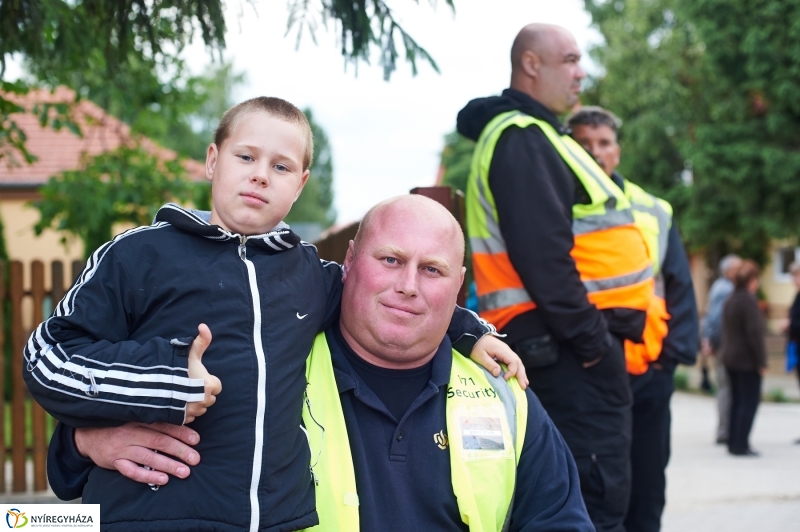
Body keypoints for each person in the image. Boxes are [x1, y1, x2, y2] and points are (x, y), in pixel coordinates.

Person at [24, 97, 521, 531]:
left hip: (275, 521)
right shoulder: (139, 255)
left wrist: (469, 330)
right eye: (246, 157)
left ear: (301, 184)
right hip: (150, 510)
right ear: (213, 160)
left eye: (281, 167)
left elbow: (382, 293)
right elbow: (48, 356)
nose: (261, 174)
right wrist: (164, 380)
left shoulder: (305, 273)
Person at [48, 195, 594, 531]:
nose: (407, 285)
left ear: (459, 286)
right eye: (390, 260)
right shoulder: (271, 365)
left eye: (431, 270)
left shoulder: (503, 395)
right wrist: (82, 443)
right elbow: (61, 521)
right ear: (350, 262)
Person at [458, 23, 655, 532]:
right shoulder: (522, 137)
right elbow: (543, 258)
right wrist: (594, 344)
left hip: (565, 347)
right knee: (593, 503)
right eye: (569, 60)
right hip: (567, 352)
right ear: (531, 64)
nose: (580, 73)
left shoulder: (537, 134)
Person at [567, 106, 699, 532]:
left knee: (647, 479)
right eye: (584, 144)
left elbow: (677, 283)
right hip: (588, 368)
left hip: (647, 370)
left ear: (617, 152)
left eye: (603, 143)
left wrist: (670, 359)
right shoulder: (554, 207)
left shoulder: (653, 208)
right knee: (599, 485)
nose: (595, 152)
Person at [719, 260, 767, 456]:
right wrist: (761, 362)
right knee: (748, 402)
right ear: (751, 281)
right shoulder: (748, 302)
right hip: (746, 361)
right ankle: (741, 443)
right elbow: (754, 334)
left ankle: (733, 441)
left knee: (736, 401)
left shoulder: (730, 299)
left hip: (730, 358)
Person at [702, 253, 743, 444]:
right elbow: (716, 319)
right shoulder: (725, 290)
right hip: (724, 346)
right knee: (727, 388)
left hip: (722, 345)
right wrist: (713, 341)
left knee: (726, 388)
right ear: (728, 271)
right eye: (738, 268)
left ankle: (726, 429)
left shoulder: (725, 287)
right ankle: (725, 431)